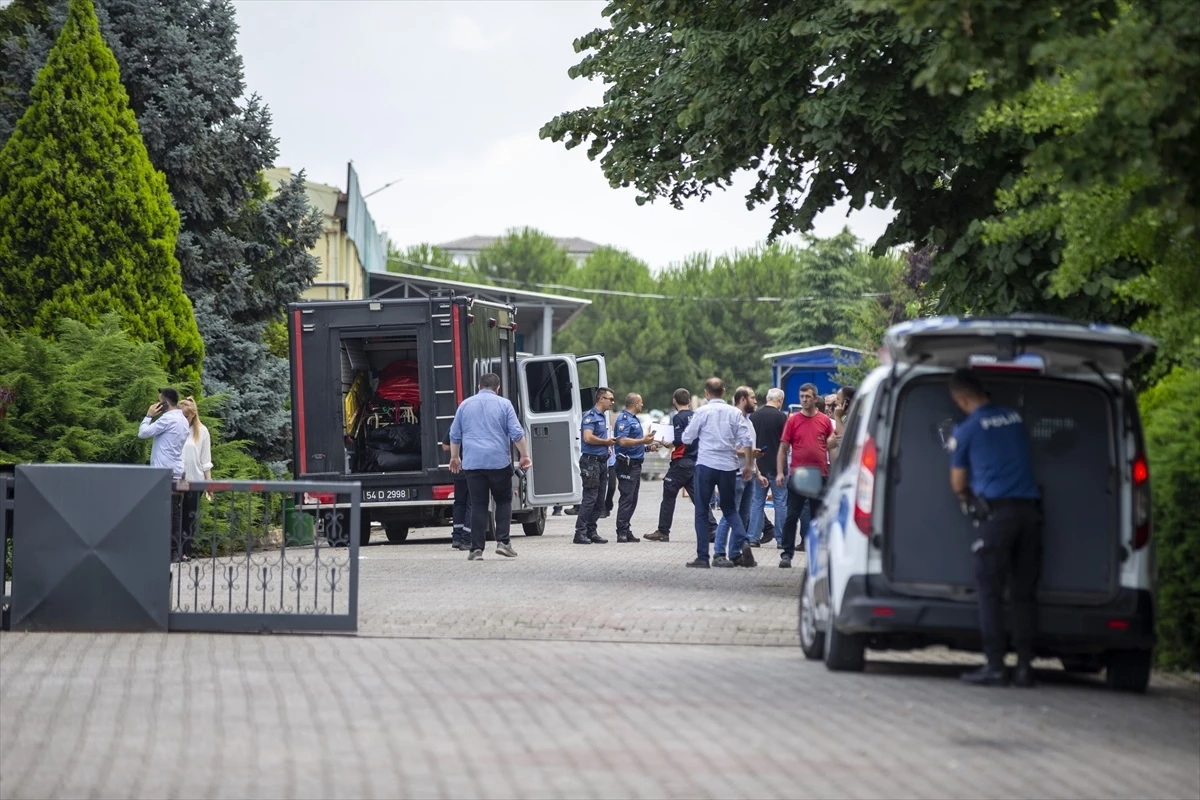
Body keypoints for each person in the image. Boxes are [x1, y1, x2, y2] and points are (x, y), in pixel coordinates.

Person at [947, 369, 1042, 688]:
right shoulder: (1014, 418)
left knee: (989, 589)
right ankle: (1026, 667)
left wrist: (967, 498)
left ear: (961, 398)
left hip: (997, 517)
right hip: (1030, 513)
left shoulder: (967, 429)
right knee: (1024, 592)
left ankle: (996, 665)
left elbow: (958, 483)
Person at [448, 373, 531, 561]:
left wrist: (455, 457)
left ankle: (476, 549)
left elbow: (455, 434)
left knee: (478, 504)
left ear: (479, 386)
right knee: (503, 500)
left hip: (472, 464)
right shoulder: (504, 404)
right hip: (498, 462)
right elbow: (516, 433)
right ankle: (503, 542)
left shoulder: (465, 405)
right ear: (498, 388)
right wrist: (524, 456)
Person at [681, 377, 755, 568]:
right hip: (729, 467)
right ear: (723, 392)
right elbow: (746, 440)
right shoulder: (734, 413)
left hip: (706, 464)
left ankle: (703, 557)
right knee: (730, 509)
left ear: (706, 393)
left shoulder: (702, 411)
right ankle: (744, 541)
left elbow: (687, 437)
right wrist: (747, 465)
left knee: (701, 511)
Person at [776, 383, 834, 569]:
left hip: (820, 474)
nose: (804, 399)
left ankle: (818, 554)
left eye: (808, 396)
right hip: (798, 474)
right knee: (792, 515)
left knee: (818, 517)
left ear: (815, 398)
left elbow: (830, 447)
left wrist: (834, 471)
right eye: (802, 396)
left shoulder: (824, 421)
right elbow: (783, 449)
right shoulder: (793, 420)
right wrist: (780, 472)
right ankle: (787, 553)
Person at [138, 387, 190, 562]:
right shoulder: (182, 420)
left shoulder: (167, 419)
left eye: (159, 400)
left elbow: (143, 433)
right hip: (176, 471)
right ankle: (173, 550)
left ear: (164, 403)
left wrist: (149, 415)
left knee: (167, 514)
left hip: (163, 474)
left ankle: (171, 552)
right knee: (174, 512)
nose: (157, 403)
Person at [646, 389, 698, 542]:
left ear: (674, 400)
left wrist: (668, 443)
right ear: (688, 401)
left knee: (668, 495)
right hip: (694, 462)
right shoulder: (696, 416)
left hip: (680, 463)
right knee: (698, 497)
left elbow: (678, 439)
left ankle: (663, 531)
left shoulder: (678, 418)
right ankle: (711, 529)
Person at [713, 386, 757, 565]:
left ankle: (735, 553)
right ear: (743, 399)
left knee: (744, 516)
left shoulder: (750, 421)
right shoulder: (732, 420)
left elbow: (751, 448)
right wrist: (749, 454)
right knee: (729, 515)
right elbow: (729, 448)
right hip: (735, 474)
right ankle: (718, 553)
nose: (756, 401)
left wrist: (757, 469)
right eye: (753, 397)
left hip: (750, 474)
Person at [748, 387, 789, 550]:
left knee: (757, 502)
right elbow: (786, 443)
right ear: (780, 400)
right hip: (778, 467)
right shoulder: (781, 417)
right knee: (780, 503)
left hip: (759, 465)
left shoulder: (754, 417)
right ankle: (781, 539)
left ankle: (753, 537)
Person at [574, 387, 617, 544]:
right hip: (591, 463)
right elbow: (588, 438)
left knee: (600, 500)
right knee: (590, 498)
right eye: (610, 399)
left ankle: (592, 531)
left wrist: (606, 449)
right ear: (601, 399)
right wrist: (605, 442)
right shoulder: (590, 416)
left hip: (601, 462)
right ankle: (580, 532)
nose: (612, 402)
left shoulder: (602, 417)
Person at [613, 393, 657, 542]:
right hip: (627, 465)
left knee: (632, 499)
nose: (642, 405)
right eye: (641, 403)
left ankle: (626, 528)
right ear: (635, 403)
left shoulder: (634, 420)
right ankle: (621, 532)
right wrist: (643, 440)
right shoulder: (624, 419)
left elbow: (634, 445)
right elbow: (623, 442)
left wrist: (647, 447)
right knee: (626, 498)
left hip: (636, 464)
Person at [176, 397, 212, 561]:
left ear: (193, 415)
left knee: (190, 516)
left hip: (194, 479)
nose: (185, 419)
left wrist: (209, 483)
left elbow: (206, 460)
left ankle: (186, 550)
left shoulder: (202, 431)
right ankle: (174, 550)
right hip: (177, 478)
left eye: (187, 416)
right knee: (176, 515)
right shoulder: (175, 428)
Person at [441, 430, 472, 550]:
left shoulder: (456, 424)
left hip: (457, 470)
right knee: (472, 504)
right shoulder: (476, 422)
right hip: (472, 468)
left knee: (459, 503)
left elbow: (444, 446)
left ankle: (457, 537)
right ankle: (466, 538)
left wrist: (456, 449)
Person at [827, 385, 856, 463]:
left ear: (847, 401)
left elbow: (842, 443)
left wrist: (837, 416)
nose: (836, 402)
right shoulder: (844, 418)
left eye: (838, 399)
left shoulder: (856, 418)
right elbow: (830, 443)